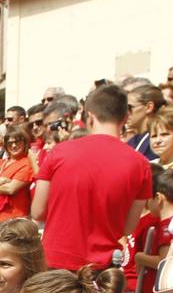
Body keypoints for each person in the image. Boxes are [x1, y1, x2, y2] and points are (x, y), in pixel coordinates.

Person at [32, 84, 153, 270]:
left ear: (89, 116)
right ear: (126, 117)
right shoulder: (141, 164)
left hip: (56, 263)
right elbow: (127, 227)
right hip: (102, 268)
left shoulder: (59, 152)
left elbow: (38, 211)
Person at [0, 125, 35, 223]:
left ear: (25, 143)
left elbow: (10, 189)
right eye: (10, 143)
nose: (14, 146)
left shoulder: (27, 164)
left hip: (13, 220)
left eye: (18, 142)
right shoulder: (1, 162)